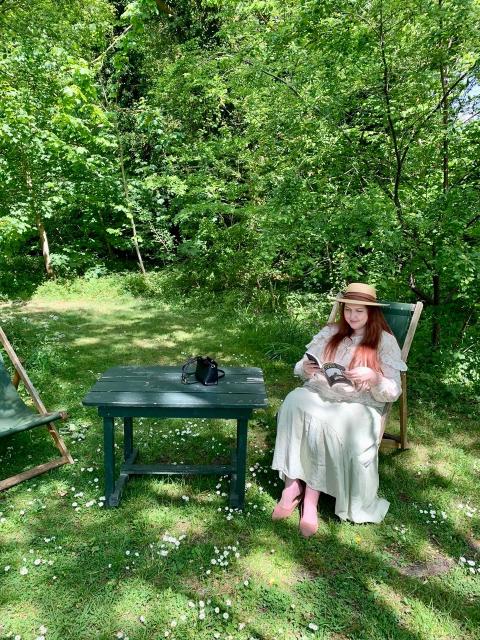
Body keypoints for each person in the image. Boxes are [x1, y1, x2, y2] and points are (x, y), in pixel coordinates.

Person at [271, 283, 407, 536]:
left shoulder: (384, 342)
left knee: (327, 420)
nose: (352, 316)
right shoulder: (331, 332)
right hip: (322, 392)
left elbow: (393, 391)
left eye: (359, 311)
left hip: (360, 404)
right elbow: (302, 363)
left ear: (371, 313)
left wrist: (375, 377)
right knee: (293, 401)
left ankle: (311, 499)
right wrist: (306, 368)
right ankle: (291, 487)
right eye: (348, 310)